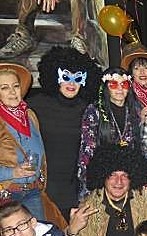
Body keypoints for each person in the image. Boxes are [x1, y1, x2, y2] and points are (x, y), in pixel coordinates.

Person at [28, 46, 102, 219]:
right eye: (66, 77)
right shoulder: (35, 104)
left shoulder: (89, 108)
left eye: (78, 78)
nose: (71, 83)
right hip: (42, 186)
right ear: (55, 76)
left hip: (73, 188)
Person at [0, 63, 48, 236]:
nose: (12, 92)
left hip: (33, 192)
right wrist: (12, 172)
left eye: (15, 86)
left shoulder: (30, 116)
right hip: (7, 196)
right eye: (4, 88)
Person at [77, 67, 141, 198]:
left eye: (124, 84)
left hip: (126, 181)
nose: (120, 88)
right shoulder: (94, 111)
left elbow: (138, 147)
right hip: (100, 179)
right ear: (106, 87)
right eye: (113, 84)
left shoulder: (135, 110)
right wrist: (89, 182)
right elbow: (87, 151)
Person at [121, 49, 147, 119]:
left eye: (146, 68)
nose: (142, 72)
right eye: (136, 68)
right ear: (131, 73)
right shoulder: (125, 94)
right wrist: (140, 120)